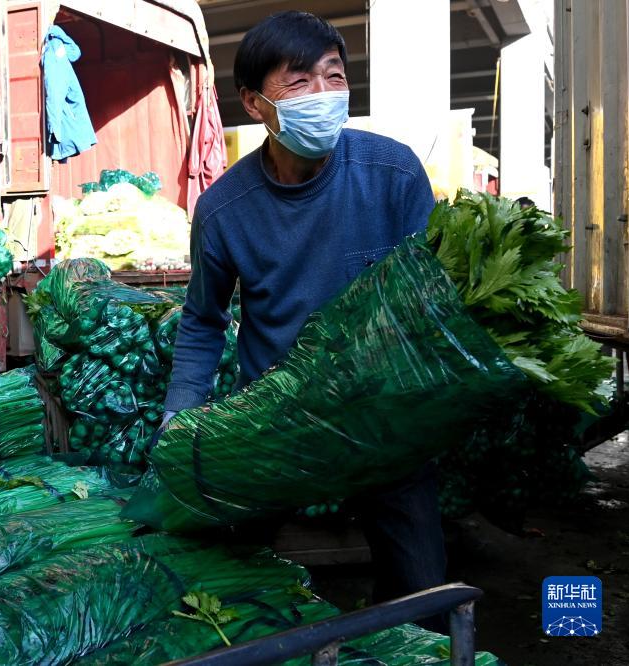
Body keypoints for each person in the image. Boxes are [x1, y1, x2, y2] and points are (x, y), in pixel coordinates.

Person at [159, 11, 447, 629]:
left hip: (383, 421)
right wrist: (179, 422)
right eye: (299, 83)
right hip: (276, 422)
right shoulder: (224, 210)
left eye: (334, 77)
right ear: (254, 103)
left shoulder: (393, 175)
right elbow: (202, 322)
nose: (324, 96)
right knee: (224, 589)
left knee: (424, 597)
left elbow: (433, 305)